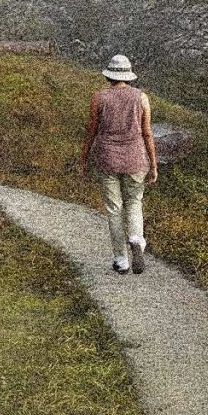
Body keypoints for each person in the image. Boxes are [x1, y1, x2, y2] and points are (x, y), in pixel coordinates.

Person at [81, 53, 158, 274]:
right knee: (134, 202)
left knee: (114, 209)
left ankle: (121, 260)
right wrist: (153, 164)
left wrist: (84, 159)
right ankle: (136, 237)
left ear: (109, 76)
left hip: (107, 159)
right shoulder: (141, 98)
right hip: (136, 158)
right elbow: (147, 134)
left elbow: (91, 132)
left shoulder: (99, 98)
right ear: (129, 76)